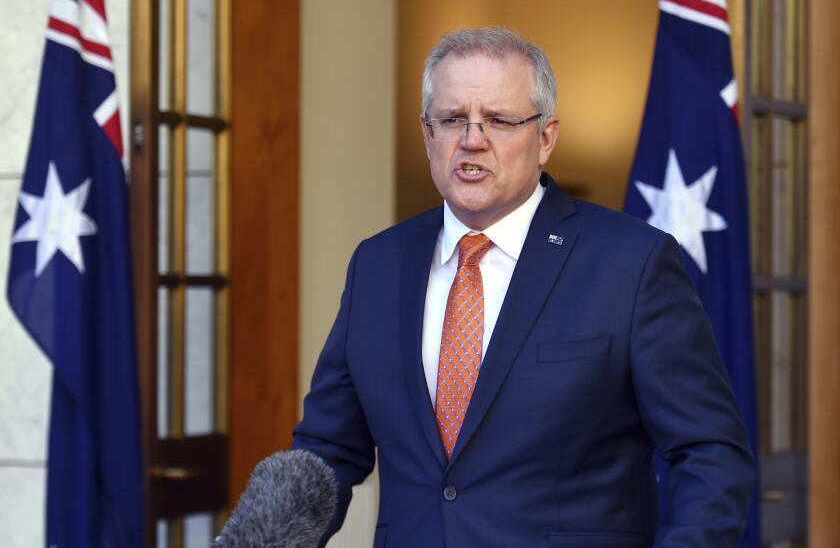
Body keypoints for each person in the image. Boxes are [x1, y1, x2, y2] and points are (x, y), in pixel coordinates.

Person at [292, 27, 754, 547]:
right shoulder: (377, 264)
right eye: (452, 119)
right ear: (427, 133)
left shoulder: (633, 264)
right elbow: (326, 450)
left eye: (500, 120)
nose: (472, 139)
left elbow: (710, 453)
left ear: (546, 137)